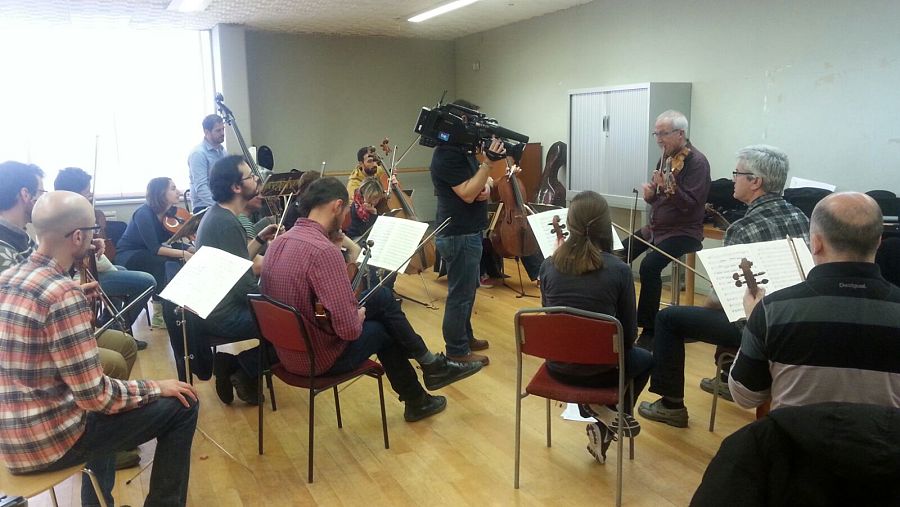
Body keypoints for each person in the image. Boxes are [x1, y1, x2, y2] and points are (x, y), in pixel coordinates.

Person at [0, 190, 199, 507]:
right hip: (48, 446)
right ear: (78, 236)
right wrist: (157, 387)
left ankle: (98, 502)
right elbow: (97, 397)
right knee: (183, 404)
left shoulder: (10, 277)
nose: (98, 238)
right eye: (94, 231)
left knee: (103, 415)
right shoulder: (63, 294)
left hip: (11, 438)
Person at [261, 177, 483, 422]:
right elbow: (349, 330)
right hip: (317, 359)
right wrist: (357, 316)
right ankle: (424, 385)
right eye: (346, 210)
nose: (346, 217)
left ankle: (427, 377)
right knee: (382, 330)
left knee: (381, 297)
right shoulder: (323, 251)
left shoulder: (278, 243)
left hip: (286, 353)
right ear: (337, 206)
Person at [638, 145, 810, 428]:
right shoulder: (800, 216)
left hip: (758, 326)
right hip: (796, 320)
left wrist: (702, 313)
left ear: (755, 182)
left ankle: (671, 406)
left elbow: (723, 299)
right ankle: (727, 377)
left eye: (737, 173)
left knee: (668, 319)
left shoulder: (742, 229)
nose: (732, 179)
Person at [729, 192, 900, 411]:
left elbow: (746, 396)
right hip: (884, 434)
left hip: (794, 433)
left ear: (816, 243)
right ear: (878, 242)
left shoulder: (773, 309)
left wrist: (753, 319)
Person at [538, 191, 652, 464]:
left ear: (570, 224)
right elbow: (628, 336)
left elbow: (550, 318)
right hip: (602, 371)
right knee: (646, 359)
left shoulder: (548, 266)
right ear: (605, 226)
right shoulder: (619, 270)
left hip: (558, 367)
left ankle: (603, 419)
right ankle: (607, 416)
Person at [0, 161, 138, 383]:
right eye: (41, 192)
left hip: (45, 326)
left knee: (126, 344)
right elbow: (19, 309)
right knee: (114, 363)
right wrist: (69, 296)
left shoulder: (21, 235)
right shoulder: (3, 247)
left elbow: (44, 276)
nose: (43, 198)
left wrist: (81, 247)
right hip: (26, 347)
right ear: (25, 194)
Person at [195, 155, 278, 405]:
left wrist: (260, 239)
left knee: (286, 317)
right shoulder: (227, 223)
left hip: (217, 307)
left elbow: (237, 263)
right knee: (295, 326)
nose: (256, 180)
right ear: (236, 187)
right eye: (250, 176)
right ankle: (242, 367)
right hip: (223, 314)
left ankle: (233, 366)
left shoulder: (220, 215)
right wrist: (275, 304)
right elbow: (244, 286)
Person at [624, 110, 711, 346]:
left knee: (649, 266)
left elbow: (691, 205)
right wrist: (652, 196)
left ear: (680, 133)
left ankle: (650, 330)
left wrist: (669, 189)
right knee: (618, 254)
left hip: (683, 232)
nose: (659, 140)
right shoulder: (665, 159)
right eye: (656, 134)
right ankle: (619, 317)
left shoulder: (697, 163)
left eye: (663, 134)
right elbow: (659, 198)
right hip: (656, 229)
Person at [430, 109, 503, 364]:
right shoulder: (446, 155)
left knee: (468, 291)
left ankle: (465, 336)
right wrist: (487, 164)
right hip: (458, 234)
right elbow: (468, 193)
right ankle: (457, 350)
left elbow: (482, 182)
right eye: (472, 121)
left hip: (469, 232)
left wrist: (487, 186)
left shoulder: (463, 151)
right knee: (460, 295)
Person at [53, 167, 157, 337]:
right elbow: (79, 257)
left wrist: (93, 241)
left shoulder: (65, 215)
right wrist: (89, 246)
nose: (90, 195)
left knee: (122, 271)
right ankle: (119, 329)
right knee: (148, 282)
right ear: (74, 194)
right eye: (87, 192)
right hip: (79, 279)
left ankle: (108, 323)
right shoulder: (67, 219)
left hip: (89, 271)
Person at [116, 177, 194, 327]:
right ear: (161, 193)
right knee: (163, 262)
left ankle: (173, 306)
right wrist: (185, 254)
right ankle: (160, 312)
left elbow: (172, 243)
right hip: (129, 255)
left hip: (148, 253)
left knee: (171, 259)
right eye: (173, 188)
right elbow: (155, 248)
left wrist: (191, 248)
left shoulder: (169, 214)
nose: (178, 192)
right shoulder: (143, 214)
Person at [188, 114, 226, 213]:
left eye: (223, 129)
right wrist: (222, 207)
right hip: (204, 206)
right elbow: (201, 188)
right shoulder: (198, 154)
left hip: (221, 203)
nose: (222, 133)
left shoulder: (223, 151)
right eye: (218, 130)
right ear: (206, 132)